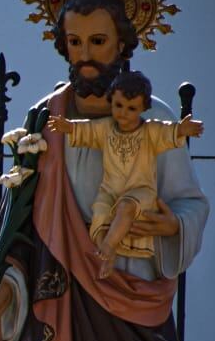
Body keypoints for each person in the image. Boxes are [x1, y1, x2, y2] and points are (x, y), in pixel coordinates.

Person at [0, 0, 209, 341]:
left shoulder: (153, 119)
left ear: (123, 42)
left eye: (98, 41)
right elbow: (19, 221)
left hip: (130, 295)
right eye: (75, 41)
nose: (84, 54)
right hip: (56, 300)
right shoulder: (46, 120)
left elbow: (190, 202)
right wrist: (8, 280)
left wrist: (170, 226)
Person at [48, 70, 204, 278]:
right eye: (118, 106)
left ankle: (109, 247)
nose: (123, 113)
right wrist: (67, 126)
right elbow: (87, 130)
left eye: (131, 109)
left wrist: (182, 129)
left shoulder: (151, 130)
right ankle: (106, 253)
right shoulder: (106, 128)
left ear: (143, 109)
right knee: (101, 212)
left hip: (140, 192)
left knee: (126, 207)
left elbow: (169, 132)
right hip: (109, 191)